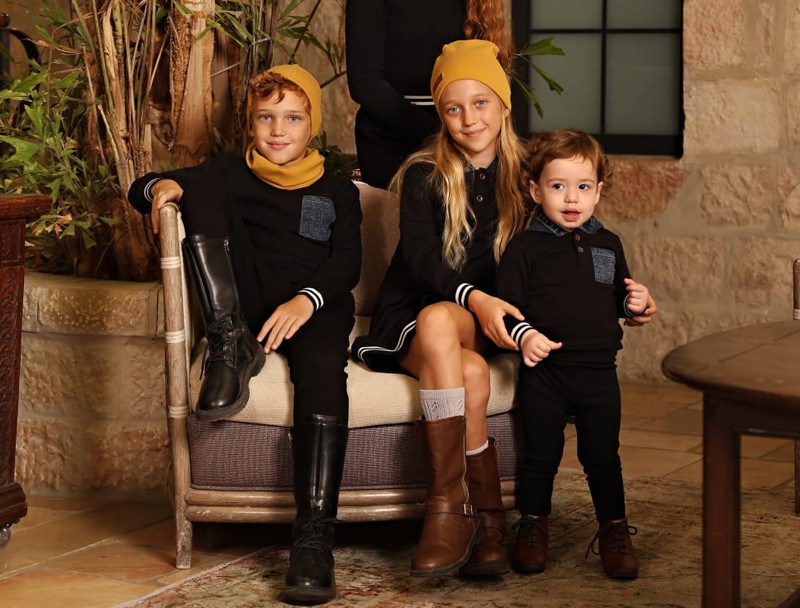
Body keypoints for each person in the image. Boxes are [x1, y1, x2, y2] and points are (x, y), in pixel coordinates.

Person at [127, 64, 362, 605]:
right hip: (248, 302)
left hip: (313, 307)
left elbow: (347, 261)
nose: (278, 130)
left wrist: (306, 301)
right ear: (250, 125)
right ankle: (229, 343)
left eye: (293, 118)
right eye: (265, 118)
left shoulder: (336, 190)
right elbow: (140, 189)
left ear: (313, 126)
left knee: (323, 370)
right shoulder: (231, 173)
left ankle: (313, 538)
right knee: (200, 184)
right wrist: (162, 185)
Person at [352, 39, 527, 578]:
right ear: (440, 115)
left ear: (503, 105)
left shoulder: (527, 177)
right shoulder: (424, 174)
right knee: (466, 369)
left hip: (481, 322)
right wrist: (475, 297)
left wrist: (621, 292)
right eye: (453, 108)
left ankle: (448, 510)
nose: (469, 119)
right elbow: (424, 261)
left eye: (481, 102)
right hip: (414, 316)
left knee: (447, 328)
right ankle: (485, 520)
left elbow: (565, 243)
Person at [496, 128, 653, 580]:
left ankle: (614, 528)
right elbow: (506, 309)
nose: (571, 198)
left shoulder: (609, 243)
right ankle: (533, 524)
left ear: (598, 191)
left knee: (603, 456)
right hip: (546, 372)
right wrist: (525, 335)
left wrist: (636, 303)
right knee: (540, 454)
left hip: (599, 372)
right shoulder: (524, 248)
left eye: (583, 187)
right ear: (535, 190)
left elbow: (618, 298)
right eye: (558, 186)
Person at [345, 0, 513, 189]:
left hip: (464, 137)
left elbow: (487, 79)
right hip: (394, 142)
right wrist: (442, 134)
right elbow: (365, 83)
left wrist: (466, 132)